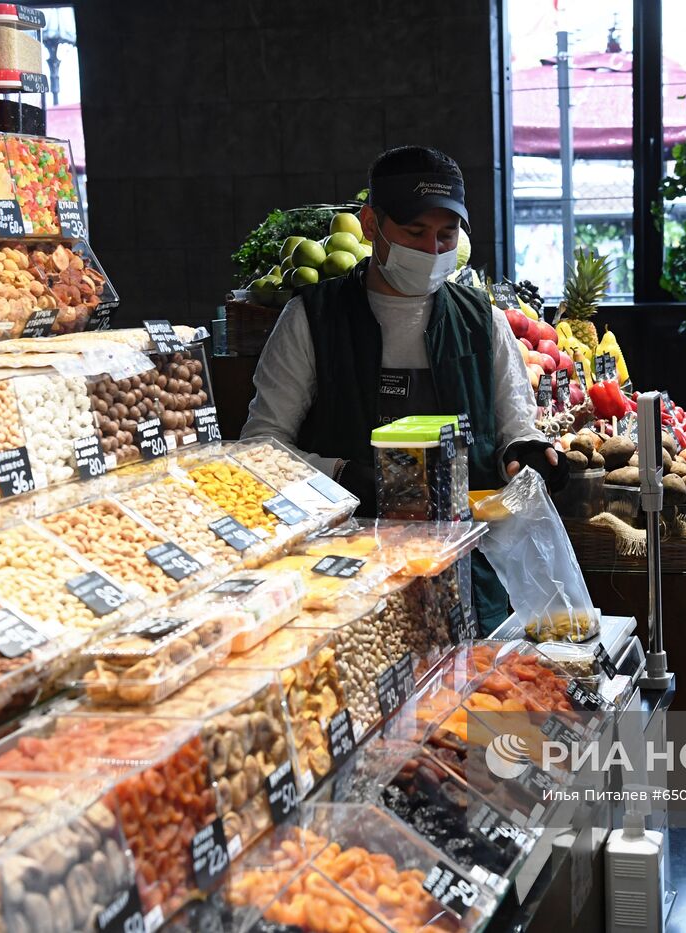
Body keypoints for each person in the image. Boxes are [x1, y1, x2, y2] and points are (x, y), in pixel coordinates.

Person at [242, 145, 568, 631]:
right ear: (371, 225)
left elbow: (514, 426)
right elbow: (261, 449)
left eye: (446, 234)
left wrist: (527, 451)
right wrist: (340, 476)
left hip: (469, 574)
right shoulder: (312, 319)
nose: (433, 251)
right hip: (348, 577)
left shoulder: (483, 322)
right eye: (415, 233)